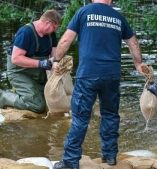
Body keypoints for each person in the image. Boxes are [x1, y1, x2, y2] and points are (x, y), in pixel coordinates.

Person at [52, 0, 148, 169]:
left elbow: (66, 40)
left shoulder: (84, 12)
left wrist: (56, 59)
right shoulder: (118, 17)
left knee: (80, 118)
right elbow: (133, 43)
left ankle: (70, 162)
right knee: (110, 115)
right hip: (112, 76)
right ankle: (110, 156)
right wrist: (139, 64)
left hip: (88, 74)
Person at [0, 10, 62, 113]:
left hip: (38, 74)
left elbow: (54, 56)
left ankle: (21, 92)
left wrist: (56, 63)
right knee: (38, 106)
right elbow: (15, 58)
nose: (54, 31)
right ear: (48, 23)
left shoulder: (51, 35)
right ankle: (4, 96)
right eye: (54, 27)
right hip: (20, 73)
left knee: (53, 99)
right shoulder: (26, 33)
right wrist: (40, 63)